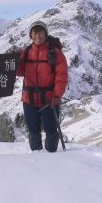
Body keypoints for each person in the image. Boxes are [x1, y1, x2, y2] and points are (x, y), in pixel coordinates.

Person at [15, 21, 68, 152]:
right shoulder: (26, 52)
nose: (38, 35)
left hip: (49, 100)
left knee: (51, 130)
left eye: (41, 32)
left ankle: (51, 156)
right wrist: (14, 59)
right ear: (31, 35)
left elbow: (62, 76)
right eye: (35, 32)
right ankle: (37, 157)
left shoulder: (55, 53)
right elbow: (20, 71)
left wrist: (57, 95)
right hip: (29, 99)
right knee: (33, 131)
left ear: (45, 34)